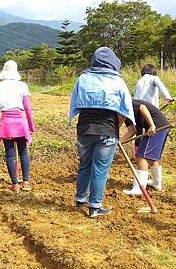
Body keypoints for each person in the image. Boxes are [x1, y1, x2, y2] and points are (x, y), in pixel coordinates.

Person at [69, 47, 135, 218]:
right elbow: (124, 109)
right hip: (107, 130)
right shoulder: (117, 82)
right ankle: (95, 207)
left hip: (84, 129)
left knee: (85, 164)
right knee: (100, 169)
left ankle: (80, 199)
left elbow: (75, 103)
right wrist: (116, 128)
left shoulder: (83, 78)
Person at [0, 60, 35, 192]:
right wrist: (31, 126)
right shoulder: (22, 86)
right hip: (20, 121)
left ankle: (15, 184)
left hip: (6, 122)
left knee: (10, 154)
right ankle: (26, 182)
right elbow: (27, 107)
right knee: (23, 152)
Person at [121, 99, 170, 195]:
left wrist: (152, 125)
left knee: (141, 156)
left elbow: (142, 107)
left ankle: (139, 188)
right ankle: (156, 184)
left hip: (157, 127)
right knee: (151, 157)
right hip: (160, 126)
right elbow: (132, 131)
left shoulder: (126, 102)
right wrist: (118, 142)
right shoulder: (126, 114)